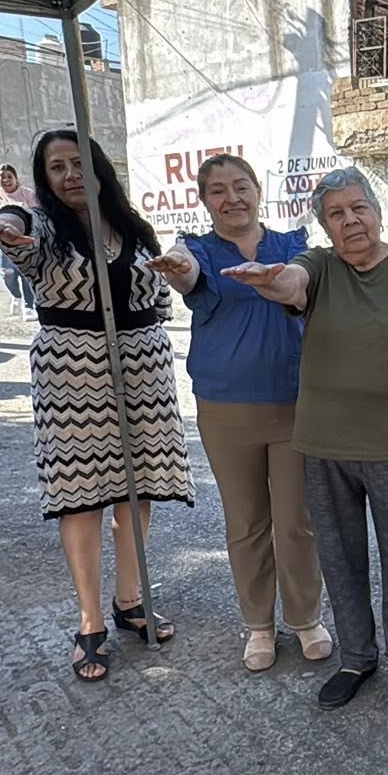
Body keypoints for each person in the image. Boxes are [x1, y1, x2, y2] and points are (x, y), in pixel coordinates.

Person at [220, 168, 388, 710]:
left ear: (376, 211)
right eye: (336, 214)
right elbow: (292, 284)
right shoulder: (320, 266)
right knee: (340, 558)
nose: (350, 220)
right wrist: (269, 280)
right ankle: (356, 657)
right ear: (325, 226)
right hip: (325, 446)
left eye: (358, 208)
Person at [0, 131, 192, 682]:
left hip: (143, 367)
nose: (70, 174)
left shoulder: (133, 227)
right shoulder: (43, 227)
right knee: (80, 497)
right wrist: (8, 227)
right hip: (73, 373)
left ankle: (130, 599)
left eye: (79, 163)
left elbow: (162, 290)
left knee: (139, 490)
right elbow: (18, 231)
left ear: (99, 169)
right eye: (57, 167)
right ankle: (90, 619)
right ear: (44, 178)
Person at [146, 154, 330, 672]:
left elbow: (302, 283)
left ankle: (306, 617)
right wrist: (179, 269)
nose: (232, 198)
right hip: (226, 408)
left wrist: (276, 280)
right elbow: (186, 272)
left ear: (257, 191)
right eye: (218, 190)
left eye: (241, 186)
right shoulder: (200, 249)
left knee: (296, 521)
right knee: (246, 521)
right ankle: (259, 625)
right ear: (204, 200)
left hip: (295, 402)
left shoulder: (290, 244)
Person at [0, 163, 37, 313]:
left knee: (25, 272)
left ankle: (28, 306)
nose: (6, 180)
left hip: (24, 238)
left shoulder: (27, 193)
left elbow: (36, 215)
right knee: (7, 273)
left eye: (9, 176)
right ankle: (16, 296)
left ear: (16, 178)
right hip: (3, 241)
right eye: (2, 177)